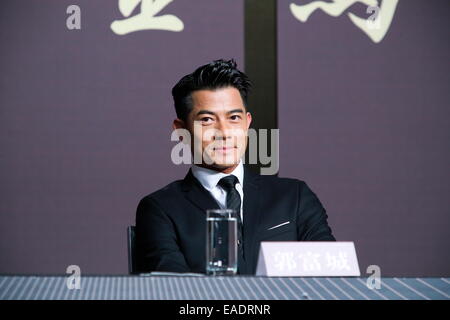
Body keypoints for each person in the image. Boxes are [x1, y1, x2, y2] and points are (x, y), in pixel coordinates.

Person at [135, 59, 335, 275]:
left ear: (247, 123)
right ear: (180, 130)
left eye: (234, 118)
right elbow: (172, 290)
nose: (224, 132)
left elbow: (334, 281)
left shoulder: (295, 197)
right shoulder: (160, 209)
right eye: (207, 120)